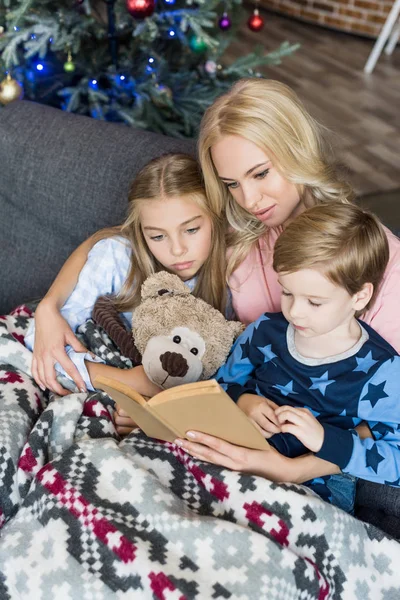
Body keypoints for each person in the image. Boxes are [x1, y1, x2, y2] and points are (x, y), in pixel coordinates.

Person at [29, 78, 400, 486]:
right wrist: (49, 306)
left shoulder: (373, 258)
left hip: (301, 458)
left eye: (260, 173)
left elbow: (389, 418)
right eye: (232, 184)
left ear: (298, 150)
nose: (251, 199)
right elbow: (121, 238)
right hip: (231, 423)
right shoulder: (241, 231)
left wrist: (293, 468)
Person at [207, 203, 400, 513]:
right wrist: (245, 401)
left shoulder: (382, 371)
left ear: (360, 297)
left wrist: (325, 440)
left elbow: (395, 457)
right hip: (235, 451)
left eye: (314, 301)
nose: (294, 311)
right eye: (287, 292)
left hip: (314, 488)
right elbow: (219, 383)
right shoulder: (266, 330)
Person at [25, 153, 232, 433]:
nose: (177, 249)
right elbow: (42, 342)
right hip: (104, 375)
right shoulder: (117, 257)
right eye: (157, 236)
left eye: (191, 229)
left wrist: (159, 409)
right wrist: (129, 381)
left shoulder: (234, 278)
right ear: (140, 231)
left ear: (216, 218)